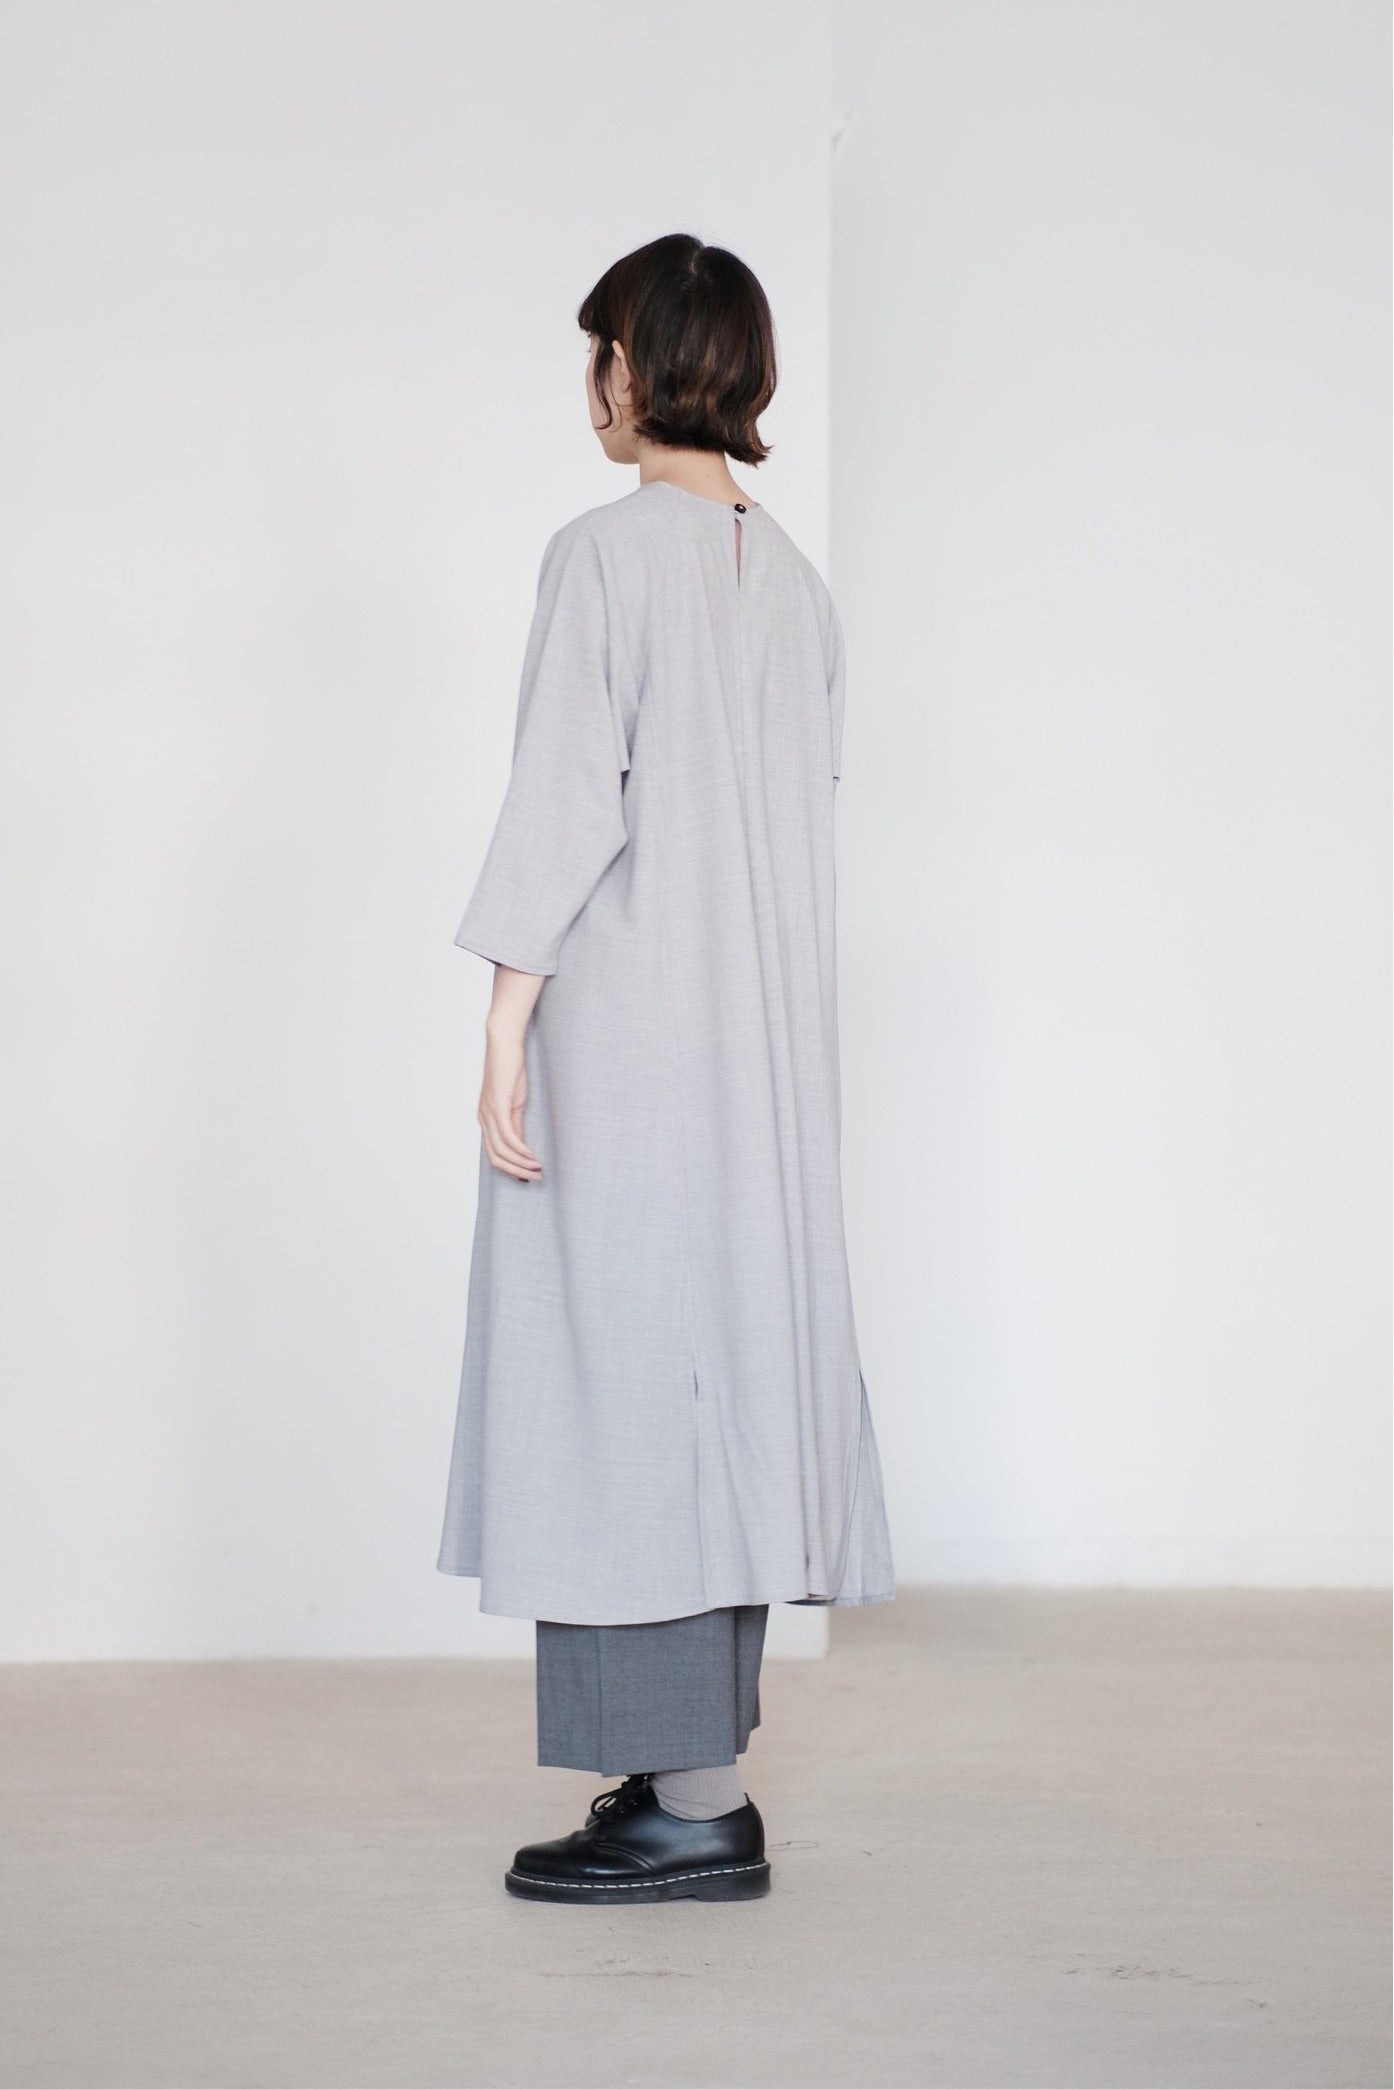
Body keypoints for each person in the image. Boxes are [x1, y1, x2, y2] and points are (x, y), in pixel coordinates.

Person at [437, 232, 895, 1904]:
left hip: (631, 1036)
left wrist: (506, 1017)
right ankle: (691, 1779)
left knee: (616, 1392)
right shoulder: (798, 587)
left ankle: (689, 1805)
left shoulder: (601, 554)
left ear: (636, 367)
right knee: (722, 1388)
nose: (595, 383)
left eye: (601, 352)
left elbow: (567, 802)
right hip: (761, 1059)